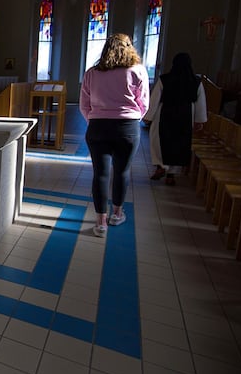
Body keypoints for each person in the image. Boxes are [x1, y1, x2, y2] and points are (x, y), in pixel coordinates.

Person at [79, 33, 149, 238]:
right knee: (122, 172)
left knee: (100, 174)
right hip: (127, 127)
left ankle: (101, 223)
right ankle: (117, 214)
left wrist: (94, 119)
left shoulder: (92, 73)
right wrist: (132, 119)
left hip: (98, 127)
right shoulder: (137, 70)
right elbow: (144, 103)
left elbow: (84, 104)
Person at [144, 53, 207, 186]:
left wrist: (148, 117)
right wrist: (199, 120)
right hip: (186, 116)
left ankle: (161, 166)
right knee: (179, 144)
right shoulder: (196, 81)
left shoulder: (164, 79)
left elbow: (155, 99)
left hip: (164, 113)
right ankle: (171, 175)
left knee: (159, 141)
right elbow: (200, 102)